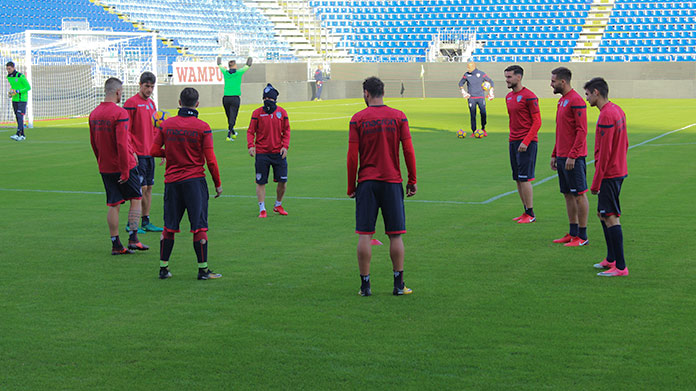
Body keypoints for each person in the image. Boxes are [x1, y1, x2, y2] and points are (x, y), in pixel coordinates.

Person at [347, 76, 417, 297]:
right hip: (392, 181)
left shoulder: (358, 118)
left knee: (365, 234)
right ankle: (398, 285)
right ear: (383, 92)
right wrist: (412, 180)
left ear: (366, 93)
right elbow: (408, 151)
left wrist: (351, 185)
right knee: (395, 235)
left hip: (367, 183)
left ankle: (365, 286)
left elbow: (351, 157)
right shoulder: (399, 117)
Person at [150, 87, 223, 280]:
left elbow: (153, 150)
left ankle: (163, 269)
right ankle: (203, 270)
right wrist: (217, 183)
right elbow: (211, 160)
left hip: (172, 182)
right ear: (197, 104)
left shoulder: (166, 125)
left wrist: (170, 153)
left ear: (179, 103)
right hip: (194, 182)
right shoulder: (202, 127)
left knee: (169, 226)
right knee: (199, 227)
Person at [88, 77, 149, 255]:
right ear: (118, 92)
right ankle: (133, 238)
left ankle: (115, 243)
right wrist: (125, 169)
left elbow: (94, 143)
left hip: (105, 166)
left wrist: (101, 161)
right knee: (136, 198)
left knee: (113, 204)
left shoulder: (94, 114)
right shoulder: (120, 113)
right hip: (124, 166)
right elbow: (122, 144)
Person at [584, 77, 629, 277]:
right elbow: (625, 143)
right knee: (603, 214)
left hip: (609, 174)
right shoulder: (617, 110)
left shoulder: (606, 116)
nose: (586, 98)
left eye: (587, 94)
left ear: (596, 92)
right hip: (618, 170)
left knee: (610, 216)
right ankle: (610, 259)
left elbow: (605, 153)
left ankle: (620, 266)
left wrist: (596, 182)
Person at [550, 67, 590, 247]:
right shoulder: (562, 101)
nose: (551, 84)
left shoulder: (576, 101)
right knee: (567, 194)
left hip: (574, 158)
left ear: (562, 82)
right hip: (562, 156)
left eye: (553, 81)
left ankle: (582, 235)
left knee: (579, 194)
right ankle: (573, 232)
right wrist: (554, 153)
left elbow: (582, 131)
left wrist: (573, 155)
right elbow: (562, 131)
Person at [123, 71, 163, 234]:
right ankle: (130, 223)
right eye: (147, 86)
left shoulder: (152, 104)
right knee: (139, 189)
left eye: (152, 87)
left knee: (149, 187)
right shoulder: (131, 103)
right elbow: (125, 130)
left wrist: (158, 150)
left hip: (149, 153)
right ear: (140, 85)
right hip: (137, 153)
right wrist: (131, 150)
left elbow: (155, 129)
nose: (149, 90)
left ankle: (145, 221)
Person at [247, 84, 290, 218]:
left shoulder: (282, 113)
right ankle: (262, 208)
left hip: (278, 153)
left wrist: (285, 146)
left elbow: (286, 131)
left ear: (274, 100)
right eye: (265, 98)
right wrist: (251, 145)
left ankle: (278, 204)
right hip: (262, 153)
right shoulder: (257, 113)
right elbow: (250, 131)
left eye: (269, 99)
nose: (267, 101)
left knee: (283, 181)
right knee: (261, 182)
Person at [504, 65, 541, 224]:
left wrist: (526, 141)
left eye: (509, 77)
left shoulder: (529, 96)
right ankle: (525, 210)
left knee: (525, 178)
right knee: (518, 178)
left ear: (518, 77)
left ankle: (531, 213)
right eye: (506, 77)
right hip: (513, 141)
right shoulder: (508, 97)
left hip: (527, 142)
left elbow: (537, 122)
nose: (507, 80)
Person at [217, 56, 253, 141]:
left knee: (229, 116)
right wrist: (250, 57)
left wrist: (219, 57)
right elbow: (248, 64)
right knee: (233, 117)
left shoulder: (225, 72)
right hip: (234, 98)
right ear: (235, 66)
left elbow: (219, 64)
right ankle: (229, 135)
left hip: (226, 98)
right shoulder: (238, 72)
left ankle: (233, 132)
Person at [458, 61, 494, 137]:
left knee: (483, 113)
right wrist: (463, 91)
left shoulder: (481, 74)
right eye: (467, 67)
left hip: (481, 97)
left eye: (469, 67)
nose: (468, 68)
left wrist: (490, 91)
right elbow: (460, 83)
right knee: (472, 115)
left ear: (474, 66)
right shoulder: (466, 75)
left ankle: (483, 129)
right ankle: (474, 131)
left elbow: (491, 81)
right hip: (471, 98)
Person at [6, 61, 31, 141]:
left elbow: (28, 87)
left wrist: (18, 91)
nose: (8, 70)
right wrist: (11, 92)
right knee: (18, 117)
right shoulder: (9, 77)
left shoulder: (20, 76)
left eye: (9, 69)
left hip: (22, 99)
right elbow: (13, 87)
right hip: (15, 99)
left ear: (13, 68)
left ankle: (17, 134)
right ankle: (22, 135)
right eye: (7, 69)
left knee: (20, 116)